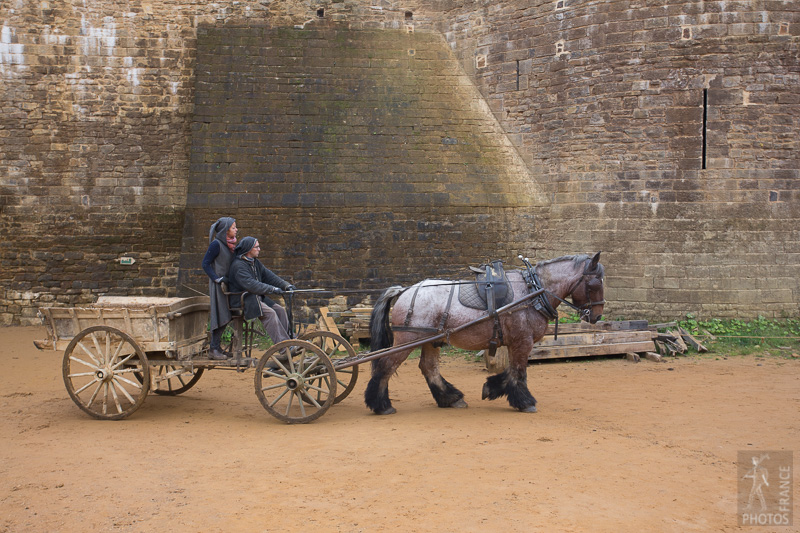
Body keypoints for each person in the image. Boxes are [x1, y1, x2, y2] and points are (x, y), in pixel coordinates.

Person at [226, 236, 296, 347]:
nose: (259, 249)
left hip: (254, 297)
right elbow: (252, 284)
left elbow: (269, 276)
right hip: (243, 300)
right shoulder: (238, 266)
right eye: (257, 247)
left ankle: (290, 340)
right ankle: (283, 347)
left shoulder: (255, 262)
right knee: (270, 314)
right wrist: (272, 289)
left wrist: (285, 285)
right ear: (249, 250)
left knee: (280, 310)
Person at [202, 217, 238, 360]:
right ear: (226, 230)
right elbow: (205, 264)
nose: (236, 230)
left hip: (227, 285)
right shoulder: (216, 244)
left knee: (228, 314)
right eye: (234, 227)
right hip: (219, 286)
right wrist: (217, 278)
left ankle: (216, 347)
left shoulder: (231, 245)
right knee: (221, 315)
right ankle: (213, 348)